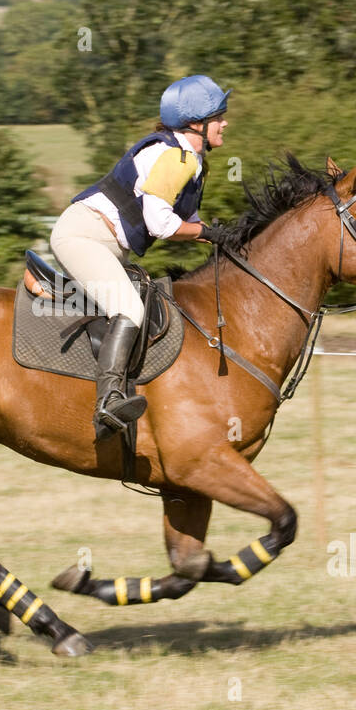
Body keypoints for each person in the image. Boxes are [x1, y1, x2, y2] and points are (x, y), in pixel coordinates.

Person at [50, 74, 235, 439]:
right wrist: (205, 233)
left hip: (104, 242)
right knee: (130, 309)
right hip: (84, 236)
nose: (225, 123)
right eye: (220, 116)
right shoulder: (176, 158)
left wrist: (223, 236)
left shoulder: (192, 160)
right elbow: (161, 224)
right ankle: (108, 401)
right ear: (196, 123)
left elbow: (188, 221)